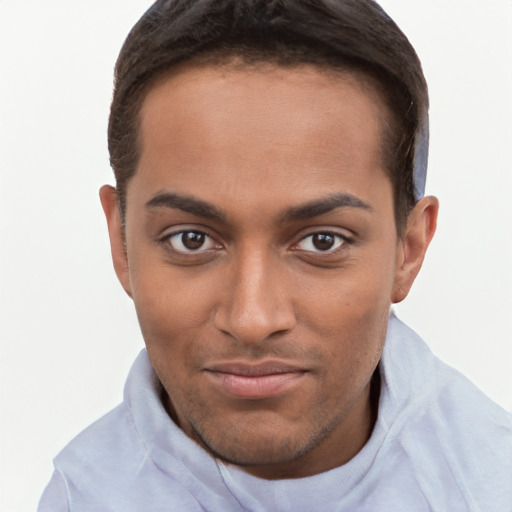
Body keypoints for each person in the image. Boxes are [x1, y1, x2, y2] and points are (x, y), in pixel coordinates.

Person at [38, 0, 512, 510]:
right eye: (191, 239)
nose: (252, 319)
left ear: (409, 250)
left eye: (322, 241)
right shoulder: (79, 497)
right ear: (122, 242)